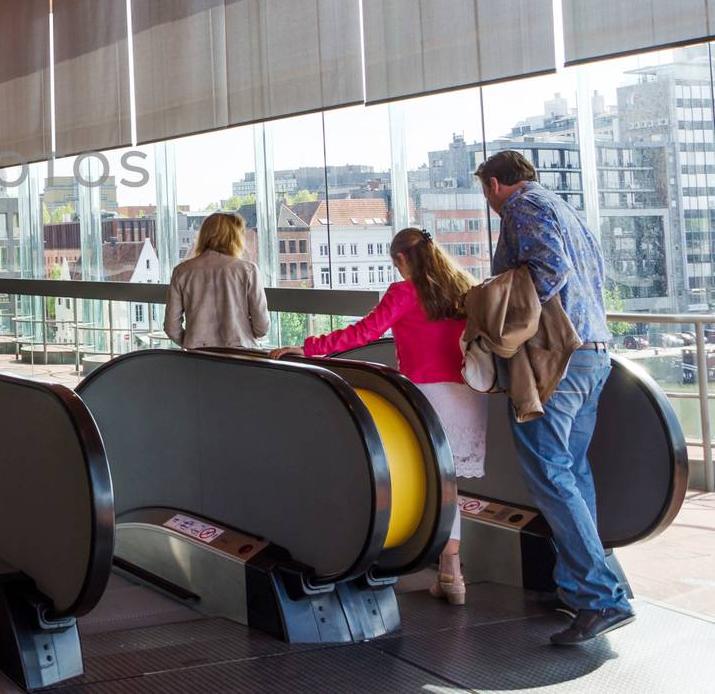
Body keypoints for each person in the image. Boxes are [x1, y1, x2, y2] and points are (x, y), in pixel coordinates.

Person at [276, 228, 486, 605]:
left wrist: (309, 348)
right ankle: (452, 574)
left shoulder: (404, 292)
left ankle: (412, 562)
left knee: (427, 483)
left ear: (402, 259)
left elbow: (364, 332)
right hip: (467, 395)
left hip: (427, 394)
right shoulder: (464, 289)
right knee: (452, 486)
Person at [477, 149, 633, 645]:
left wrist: (508, 318)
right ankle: (580, 588)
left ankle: (602, 597)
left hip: (556, 359)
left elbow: (549, 268)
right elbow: (594, 274)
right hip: (593, 354)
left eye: (487, 192)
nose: (490, 202)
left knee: (549, 473)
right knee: (572, 473)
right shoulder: (566, 208)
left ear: (495, 184)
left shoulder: (524, 206)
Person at [164, 212, 270, 349]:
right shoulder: (247, 270)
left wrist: (191, 341)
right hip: (241, 355)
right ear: (234, 237)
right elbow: (262, 327)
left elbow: (171, 327)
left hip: (198, 357)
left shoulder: (182, 271)